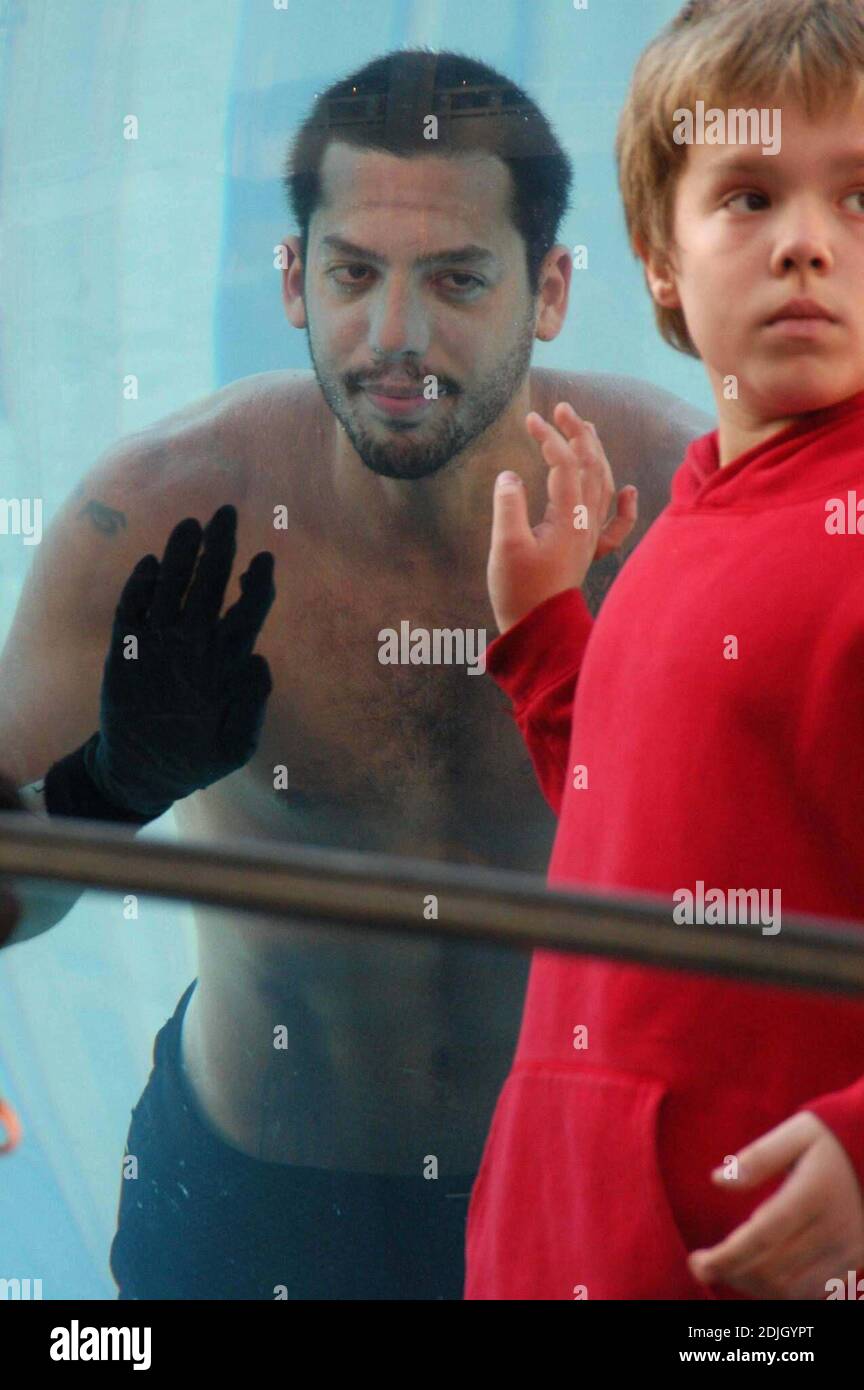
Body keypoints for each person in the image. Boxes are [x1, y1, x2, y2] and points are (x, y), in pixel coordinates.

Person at [0, 50, 709, 1299]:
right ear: (293, 281)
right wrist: (104, 795)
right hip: (250, 1191)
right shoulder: (156, 521)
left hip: (566, 1180)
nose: (395, 334)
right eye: (354, 275)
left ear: (547, 291)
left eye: (454, 279)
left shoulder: (673, 511)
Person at [466, 0, 864, 1301]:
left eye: (861, 199)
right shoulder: (691, 520)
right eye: (749, 196)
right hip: (565, 1234)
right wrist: (546, 635)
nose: (808, 243)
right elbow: (654, 824)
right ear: (659, 260)